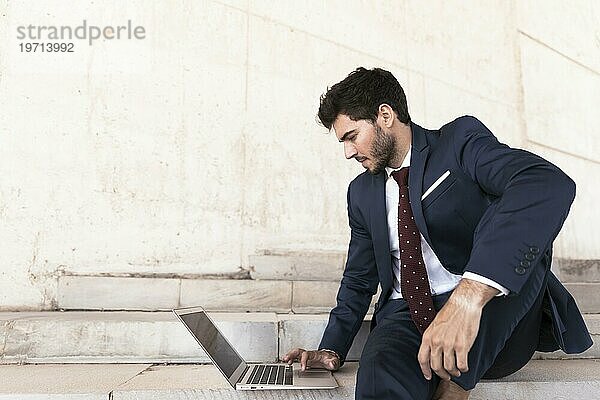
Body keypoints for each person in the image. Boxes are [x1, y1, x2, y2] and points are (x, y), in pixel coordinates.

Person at [282, 67, 592, 400]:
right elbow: (359, 278)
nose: (348, 152)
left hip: (488, 317)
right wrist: (332, 347)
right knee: (378, 372)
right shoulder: (361, 193)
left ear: (384, 116)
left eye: (352, 136)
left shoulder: (458, 142)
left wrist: (466, 298)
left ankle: (456, 384)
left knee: (517, 237)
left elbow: (545, 184)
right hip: (407, 316)